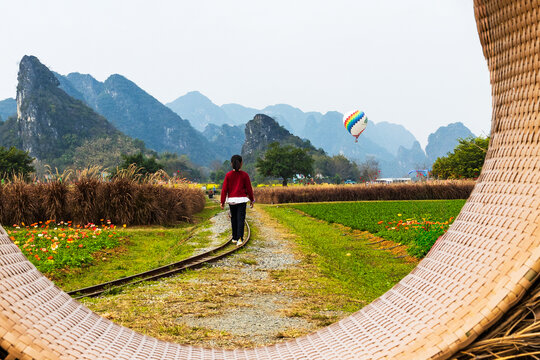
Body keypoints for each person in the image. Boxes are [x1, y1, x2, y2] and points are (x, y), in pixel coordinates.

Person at [220, 155, 254, 245]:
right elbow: (249, 189)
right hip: (242, 200)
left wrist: (222, 202)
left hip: (232, 200)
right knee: (240, 219)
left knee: (233, 218)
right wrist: (252, 200)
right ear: (241, 163)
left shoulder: (228, 175)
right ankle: (239, 238)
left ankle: (234, 237)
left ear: (231, 164)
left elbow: (224, 189)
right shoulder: (245, 175)